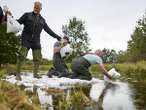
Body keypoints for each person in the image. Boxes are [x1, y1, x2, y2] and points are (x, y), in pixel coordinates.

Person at [16, 1, 61, 80]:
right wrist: (9, 18)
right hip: (26, 38)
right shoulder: (27, 15)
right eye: (35, 7)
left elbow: (48, 30)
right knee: (22, 56)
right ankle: (18, 74)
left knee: (38, 58)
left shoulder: (42, 20)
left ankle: (35, 74)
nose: (36, 8)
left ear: (41, 9)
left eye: (38, 7)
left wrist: (57, 37)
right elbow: (18, 22)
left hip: (36, 41)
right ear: (33, 7)